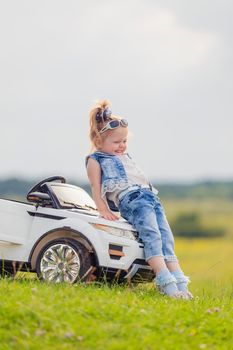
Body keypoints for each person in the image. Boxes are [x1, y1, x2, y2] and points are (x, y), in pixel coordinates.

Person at [86, 100, 193, 299]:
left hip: (151, 197)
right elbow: (96, 186)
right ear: (98, 141)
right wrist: (103, 210)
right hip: (133, 200)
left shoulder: (125, 156)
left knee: (166, 238)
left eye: (124, 141)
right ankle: (166, 284)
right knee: (152, 236)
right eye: (116, 142)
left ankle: (181, 286)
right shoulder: (96, 160)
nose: (122, 146)